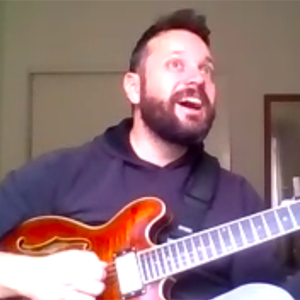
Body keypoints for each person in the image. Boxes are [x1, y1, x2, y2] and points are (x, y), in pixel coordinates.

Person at [0, 7, 298, 300]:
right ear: (133, 87)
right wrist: (27, 277)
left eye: (206, 69)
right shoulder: (59, 173)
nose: (197, 79)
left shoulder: (237, 198)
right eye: (176, 65)